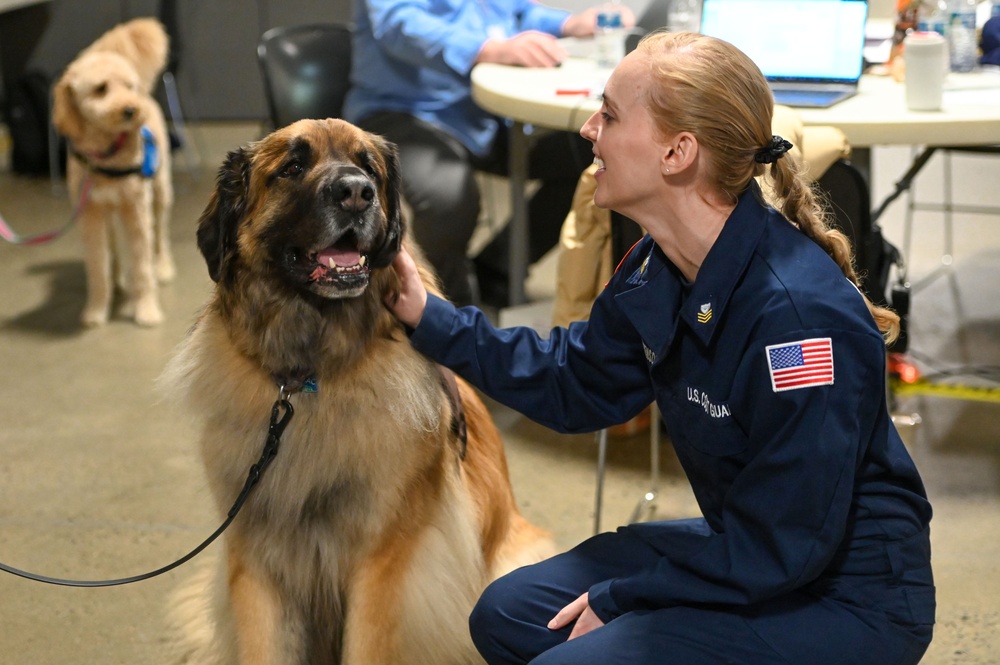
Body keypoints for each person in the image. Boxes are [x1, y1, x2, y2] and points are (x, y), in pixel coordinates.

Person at [386, 30, 935, 665]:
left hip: (845, 597)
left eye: (611, 115)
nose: (590, 129)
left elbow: (789, 541)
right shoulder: (658, 266)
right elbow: (575, 381)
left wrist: (626, 597)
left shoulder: (798, 320)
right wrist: (431, 319)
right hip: (753, 546)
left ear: (678, 152)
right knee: (509, 614)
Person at [344, 0, 633, 307]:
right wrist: (488, 49)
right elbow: (398, 23)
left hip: (481, 113)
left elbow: (517, 11)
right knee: (449, 198)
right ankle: (444, 311)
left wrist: (569, 25)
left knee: (595, 152)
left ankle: (496, 271)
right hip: (403, 111)